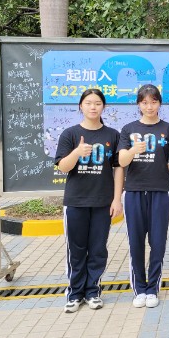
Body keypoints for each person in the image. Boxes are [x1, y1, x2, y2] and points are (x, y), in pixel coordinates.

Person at [55, 88, 124, 313]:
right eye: (88, 103)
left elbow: (118, 169)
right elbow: (63, 167)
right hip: (76, 201)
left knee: (97, 249)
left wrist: (117, 199)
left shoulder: (113, 135)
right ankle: (75, 294)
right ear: (80, 106)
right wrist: (77, 153)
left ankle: (93, 291)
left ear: (104, 107)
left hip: (103, 202)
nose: (93, 107)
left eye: (97, 103)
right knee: (76, 250)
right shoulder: (70, 134)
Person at [118, 84, 169, 308]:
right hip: (134, 192)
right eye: (145, 102)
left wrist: (165, 169)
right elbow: (122, 161)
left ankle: (152, 288)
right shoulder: (128, 129)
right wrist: (133, 151)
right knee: (135, 242)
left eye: (153, 102)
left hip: (160, 191)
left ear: (159, 103)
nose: (149, 106)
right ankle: (139, 289)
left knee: (158, 242)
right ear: (139, 104)